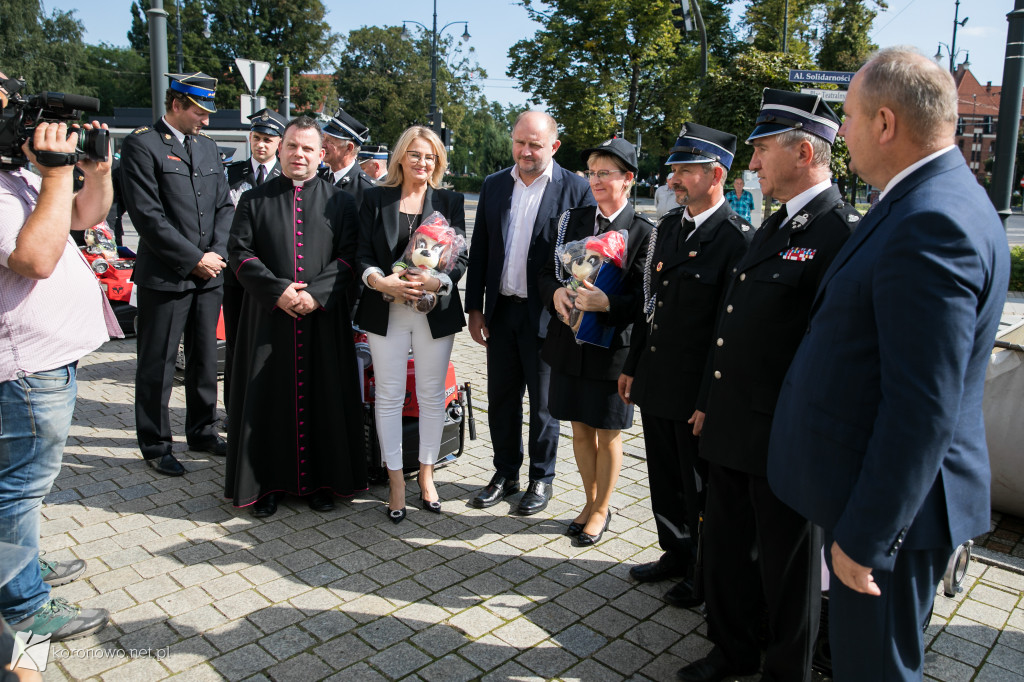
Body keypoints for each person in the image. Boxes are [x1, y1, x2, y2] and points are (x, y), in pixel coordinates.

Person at [768, 48, 1010, 682]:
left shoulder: (933, 221)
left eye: (846, 119)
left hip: (890, 517)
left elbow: (922, 405)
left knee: (873, 670)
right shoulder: (927, 198)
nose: (838, 135)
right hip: (879, 498)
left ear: (884, 123)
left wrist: (869, 537)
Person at [677, 90, 859, 682]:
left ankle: (787, 671)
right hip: (733, 422)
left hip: (785, 433)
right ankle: (733, 651)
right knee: (727, 550)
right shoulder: (776, 222)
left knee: (788, 568)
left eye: (760, 151)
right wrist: (708, 401)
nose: (752, 164)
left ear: (804, 151)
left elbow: (829, 352)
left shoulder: (835, 233)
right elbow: (731, 321)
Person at [1, 76, 116, 640]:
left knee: (25, 485)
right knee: (19, 487)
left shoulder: (16, 174)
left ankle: (18, 568)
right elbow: (36, 259)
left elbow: (83, 218)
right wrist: (52, 173)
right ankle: (23, 604)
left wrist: (93, 172)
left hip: (46, 363)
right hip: (23, 369)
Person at [619, 123, 752, 606]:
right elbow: (648, 307)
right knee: (664, 479)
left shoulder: (736, 240)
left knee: (699, 489)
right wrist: (633, 364)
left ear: (716, 175)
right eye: (674, 168)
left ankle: (703, 570)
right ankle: (674, 551)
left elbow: (728, 333)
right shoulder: (669, 228)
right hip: (657, 380)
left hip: (695, 390)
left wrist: (709, 401)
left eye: (685, 170)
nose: (673, 178)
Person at [226, 115, 366, 518]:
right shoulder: (254, 199)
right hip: (269, 319)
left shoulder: (341, 201)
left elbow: (349, 257)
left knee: (324, 399)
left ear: (321, 154)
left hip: (323, 319)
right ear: (280, 149)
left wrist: (316, 295)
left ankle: (325, 483)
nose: (299, 155)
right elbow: (240, 252)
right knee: (269, 402)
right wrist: (279, 291)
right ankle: (268, 484)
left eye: (308, 148)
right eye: (292, 146)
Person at [464, 111, 593, 515]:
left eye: (535, 144)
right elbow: (481, 248)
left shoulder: (576, 190)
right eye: (520, 142)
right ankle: (505, 473)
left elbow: (586, 257)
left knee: (543, 403)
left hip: (547, 316)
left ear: (553, 146)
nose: (525, 151)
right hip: (501, 312)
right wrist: (474, 308)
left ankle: (542, 477)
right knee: (501, 397)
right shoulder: (494, 185)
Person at [538, 138, 652, 546]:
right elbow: (543, 269)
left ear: (628, 180)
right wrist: (555, 294)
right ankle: (588, 501)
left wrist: (609, 303)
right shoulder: (572, 221)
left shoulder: (644, 232)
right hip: (570, 343)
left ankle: (602, 509)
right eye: (591, 172)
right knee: (579, 428)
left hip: (611, 350)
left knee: (608, 432)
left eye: (606, 173)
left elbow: (646, 300)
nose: (596, 180)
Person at [120, 72, 234, 477]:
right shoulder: (142, 145)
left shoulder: (207, 148)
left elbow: (224, 207)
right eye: (199, 112)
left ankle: (202, 431)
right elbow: (147, 217)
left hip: (209, 273)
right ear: (176, 105)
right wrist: (193, 259)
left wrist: (217, 254)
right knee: (159, 363)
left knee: (205, 360)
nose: (206, 121)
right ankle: (155, 444)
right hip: (167, 276)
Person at [356, 126, 467, 524]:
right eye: (417, 154)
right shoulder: (374, 198)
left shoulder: (450, 201)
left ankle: (427, 474)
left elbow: (461, 258)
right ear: (401, 156)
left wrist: (438, 282)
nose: (424, 163)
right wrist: (379, 280)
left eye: (432, 157)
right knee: (387, 395)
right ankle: (396, 480)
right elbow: (361, 253)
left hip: (433, 309)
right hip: (385, 307)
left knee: (432, 393)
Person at [222, 108, 286, 416]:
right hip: (237, 272)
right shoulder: (232, 173)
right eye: (256, 138)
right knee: (235, 344)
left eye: (268, 140)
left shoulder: (285, 176)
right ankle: (234, 410)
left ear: (279, 143)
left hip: (273, 270)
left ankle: (266, 407)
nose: (261, 145)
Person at [320, 107, 374, 205]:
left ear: (349, 148)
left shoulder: (367, 189)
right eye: (324, 138)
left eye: (329, 141)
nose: (323, 144)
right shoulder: (317, 177)